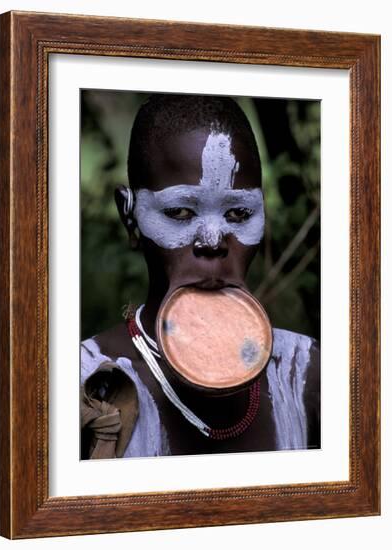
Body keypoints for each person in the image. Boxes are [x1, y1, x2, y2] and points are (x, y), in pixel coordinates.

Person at [80, 94, 320, 459]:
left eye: (239, 213)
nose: (212, 241)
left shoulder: (307, 374)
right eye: (179, 212)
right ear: (130, 216)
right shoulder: (84, 382)